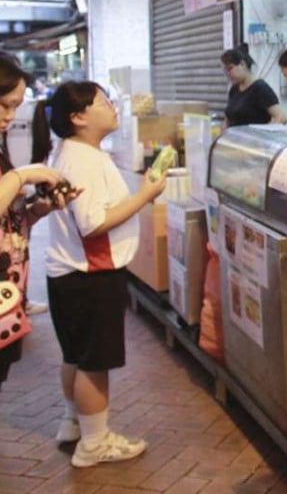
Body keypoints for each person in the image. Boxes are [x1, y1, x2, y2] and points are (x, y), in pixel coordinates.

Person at [33, 81, 167, 467]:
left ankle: (74, 423)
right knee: (95, 362)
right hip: (91, 274)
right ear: (78, 117)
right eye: (104, 103)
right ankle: (95, 443)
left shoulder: (75, 152)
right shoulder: (84, 160)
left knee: (75, 355)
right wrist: (145, 195)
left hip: (67, 273)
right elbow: (92, 224)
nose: (113, 108)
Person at [0, 56, 76, 390]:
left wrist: (40, 208)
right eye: (4, 106)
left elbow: (11, 218)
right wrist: (24, 174)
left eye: (16, 107)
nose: (10, 117)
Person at [222, 45, 287, 127]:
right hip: (234, 138)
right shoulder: (234, 89)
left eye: (230, 68)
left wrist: (261, 135)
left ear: (242, 64)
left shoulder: (260, 88)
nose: (228, 74)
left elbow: (282, 117)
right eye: (225, 70)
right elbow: (227, 119)